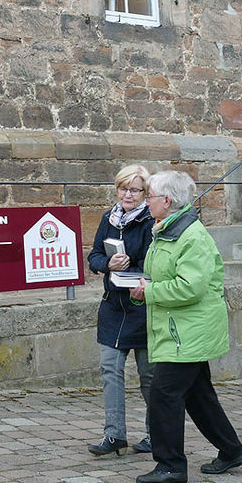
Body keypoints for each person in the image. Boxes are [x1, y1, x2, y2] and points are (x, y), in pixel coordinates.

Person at [130, 171, 242, 483]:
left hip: (187, 333)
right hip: (180, 329)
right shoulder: (168, 230)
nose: (146, 200)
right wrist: (145, 289)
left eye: (150, 195)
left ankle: (170, 466)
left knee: (164, 395)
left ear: (166, 201)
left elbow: (190, 288)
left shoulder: (191, 236)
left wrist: (150, 292)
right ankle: (232, 450)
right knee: (199, 397)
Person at [86, 164, 155, 456]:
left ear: (145, 193)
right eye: (123, 188)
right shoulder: (109, 218)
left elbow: (155, 265)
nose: (128, 194)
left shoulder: (152, 221)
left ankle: (156, 434)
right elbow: (94, 256)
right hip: (113, 306)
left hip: (141, 306)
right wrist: (107, 264)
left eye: (135, 189)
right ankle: (114, 435)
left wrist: (132, 270)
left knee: (149, 376)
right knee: (110, 370)